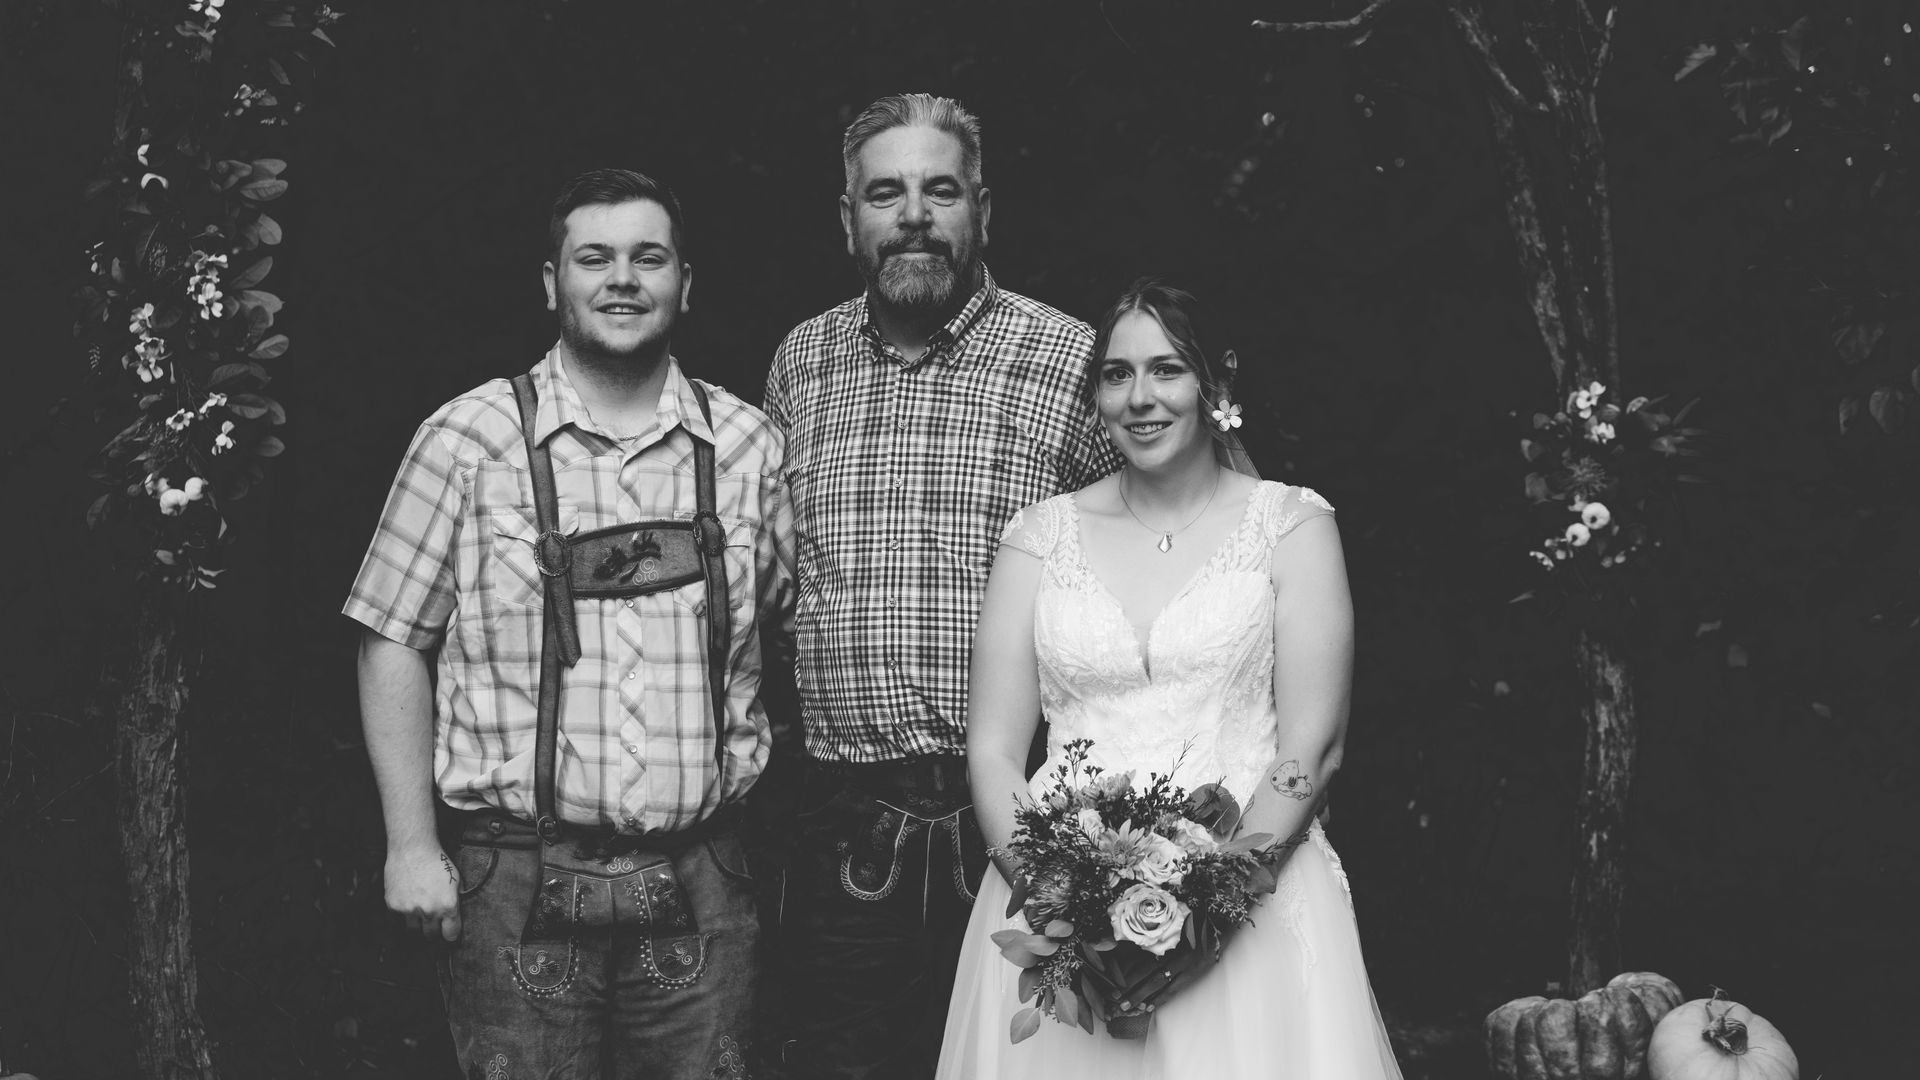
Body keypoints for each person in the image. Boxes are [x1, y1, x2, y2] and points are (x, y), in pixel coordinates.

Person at [346, 168, 792, 1080]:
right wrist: (410, 845)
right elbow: (391, 637)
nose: (622, 278)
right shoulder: (467, 439)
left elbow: (792, 632)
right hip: (516, 879)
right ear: (553, 283)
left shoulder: (749, 447)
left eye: (648, 258)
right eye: (595, 258)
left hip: (702, 877)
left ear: (685, 284)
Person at [937, 280, 1404, 1078]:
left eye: (1167, 369)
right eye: (1116, 374)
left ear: (1215, 380)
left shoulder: (1290, 525)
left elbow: (1313, 747)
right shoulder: (1037, 539)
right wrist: (1062, 905)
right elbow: (992, 750)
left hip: (1254, 902)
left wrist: (1208, 912)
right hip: (1061, 911)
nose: (1140, 397)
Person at [762, 92, 1117, 1079]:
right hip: (844, 826)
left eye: (941, 190)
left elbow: (1160, 563)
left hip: (1025, 823)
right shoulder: (800, 362)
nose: (913, 215)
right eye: (886, 193)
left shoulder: (1072, 360)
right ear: (849, 220)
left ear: (982, 212)